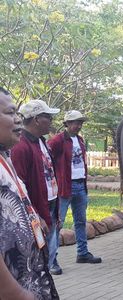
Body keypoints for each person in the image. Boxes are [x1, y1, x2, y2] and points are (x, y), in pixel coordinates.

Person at [0, 88, 59, 299]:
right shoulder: (21, 148)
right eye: (10, 113)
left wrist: (33, 215)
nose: (18, 120)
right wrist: (15, 293)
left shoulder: (6, 155)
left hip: (30, 277)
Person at [10, 99, 62, 275]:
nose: (52, 121)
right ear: (36, 119)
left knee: (48, 252)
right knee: (36, 260)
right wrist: (35, 214)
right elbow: (18, 187)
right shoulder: (20, 146)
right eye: (48, 117)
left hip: (51, 204)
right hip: (36, 211)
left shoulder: (42, 141)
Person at [48, 110, 102, 266]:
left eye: (81, 123)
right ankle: (52, 260)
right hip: (64, 187)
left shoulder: (80, 140)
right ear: (67, 124)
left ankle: (83, 254)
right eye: (76, 122)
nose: (79, 125)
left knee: (80, 221)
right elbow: (47, 160)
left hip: (80, 185)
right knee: (58, 223)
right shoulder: (57, 141)